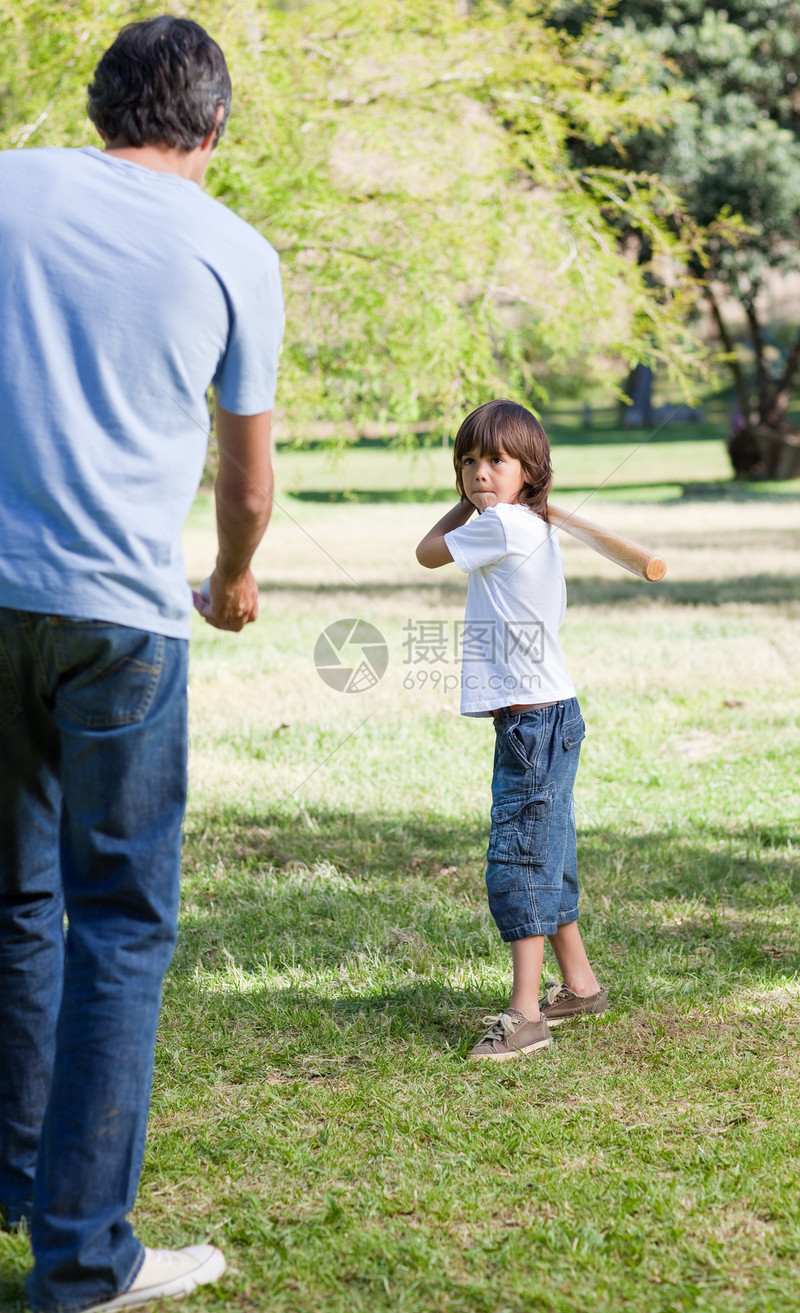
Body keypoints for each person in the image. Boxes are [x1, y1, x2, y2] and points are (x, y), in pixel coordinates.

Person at [0, 17, 283, 1313]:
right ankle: (83, 1260)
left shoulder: (10, 182)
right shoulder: (233, 250)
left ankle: (14, 1181)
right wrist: (230, 577)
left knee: (11, 901)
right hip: (124, 622)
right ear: (213, 130)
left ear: (101, 105)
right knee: (118, 922)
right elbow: (249, 479)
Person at [415, 400, 607, 1061]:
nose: (477, 474)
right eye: (467, 462)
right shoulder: (525, 522)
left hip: (533, 721)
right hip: (547, 715)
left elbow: (425, 553)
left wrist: (469, 506)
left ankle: (526, 1014)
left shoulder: (501, 526)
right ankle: (578, 984)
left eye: (495, 460)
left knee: (522, 859)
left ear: (530, 470)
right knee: (548, 852)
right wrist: (482, 499)